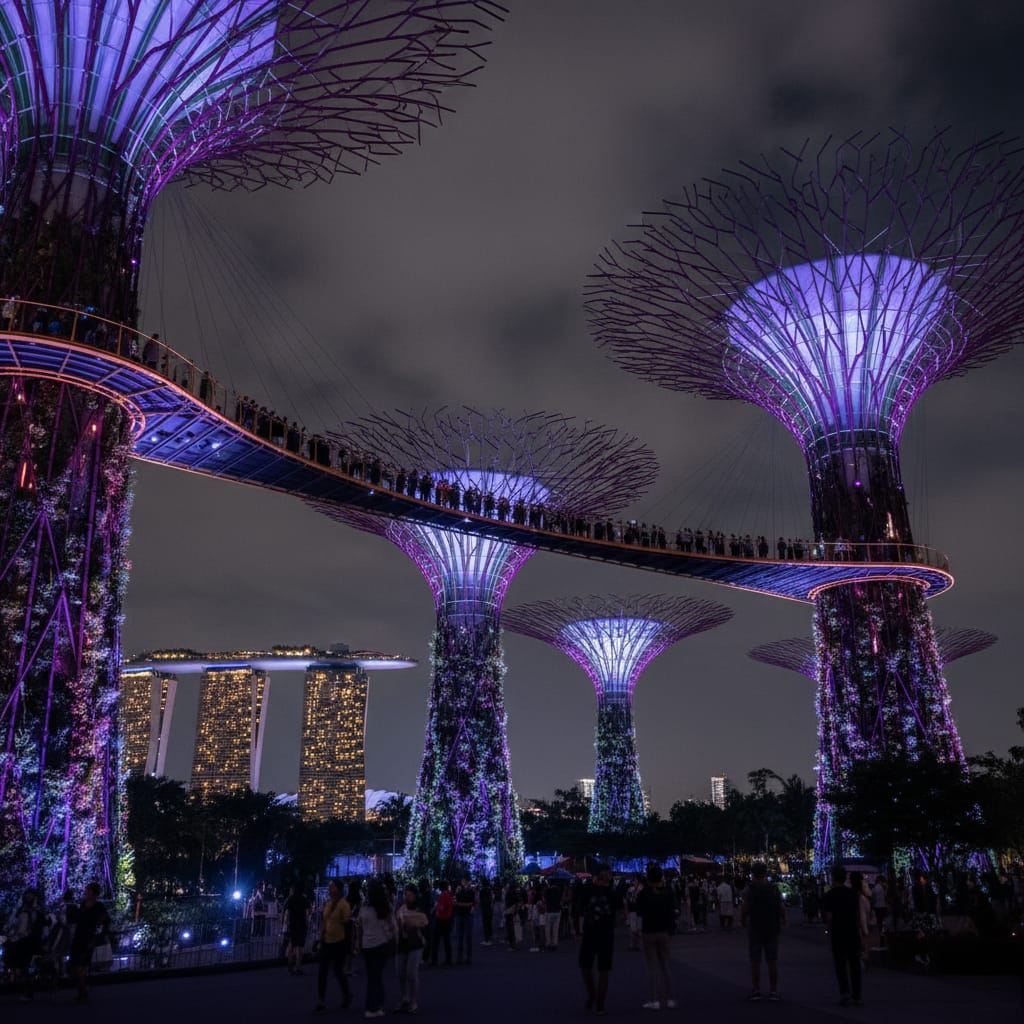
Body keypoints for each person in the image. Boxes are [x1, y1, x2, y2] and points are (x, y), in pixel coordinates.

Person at [635, 863, 676, 1010]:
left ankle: (654, 1000)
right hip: (664, 931)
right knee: (666, 965)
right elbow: (672, 911)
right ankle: (670, 998)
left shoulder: (643, 894)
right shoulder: (668, 892)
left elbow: (639, 912)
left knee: (652, 967)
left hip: (648, 931)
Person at [741, 862, 785, 1002]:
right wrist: (784, 920)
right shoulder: (773, 888)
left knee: (755, 961)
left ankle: (756, 990)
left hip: (755, 927)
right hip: (771, 927)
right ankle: (773, 991)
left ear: (753, 874)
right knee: (772, 961)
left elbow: (745, 907)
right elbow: (781, 906)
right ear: (765, 873)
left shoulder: (750, 889)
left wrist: (742, 920)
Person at [821, 865, 864, 1007]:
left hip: (838, 933)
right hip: (852, 932)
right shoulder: (853, 894)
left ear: (833, 877)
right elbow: (857, 915)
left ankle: (844, 993)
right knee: (854, 964)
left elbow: (829, 917)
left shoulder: (830, 895)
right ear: (845, 877)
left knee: (840, 964)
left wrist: (829, 932)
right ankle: (857, 995)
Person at [579, 865, 616, 1016]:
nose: (607, 877)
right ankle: (595, 997)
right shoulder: (590, 889)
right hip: (597, 932)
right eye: (606, 874)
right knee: (596, 968)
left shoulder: (611, 892)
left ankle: (598, 1000)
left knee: (599, 968)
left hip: (600, 932)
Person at [358, 879, 395, 1018]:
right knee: (377, 976)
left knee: (372, 977)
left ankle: (372, 1006)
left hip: (367, 945)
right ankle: (376, 1006)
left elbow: (360, 927)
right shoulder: (386, 908)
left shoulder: (364, 908)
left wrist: (358, 943)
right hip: (382, 944)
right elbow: (392, 926)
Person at [314, 879, 352, 1013]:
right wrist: (320, 939)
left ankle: (347, 995)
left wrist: (349, 946)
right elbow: (325, 923)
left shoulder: (344, 905)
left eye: (332, 887)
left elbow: (348, 926)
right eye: (329, 887)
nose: (330, 889)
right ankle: (321, 1000)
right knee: (322, 971)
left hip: (339, 942)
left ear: (339, 889)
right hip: (327, 941)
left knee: (337, 971)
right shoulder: (328, 904)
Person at [69, 882, 110, 1003]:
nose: (86, 891)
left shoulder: (99, 906)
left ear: (94, 892)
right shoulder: (83, 904)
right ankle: (83, 990)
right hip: (78, 936)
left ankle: (82, 992)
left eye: (88, 889)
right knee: (76, 965)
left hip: (89, 938)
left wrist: (99, 935)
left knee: (82, 965)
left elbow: (105, 920)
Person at [396, 884, 429, 1014]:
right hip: (401, 943)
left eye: (409, 895)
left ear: (415, 896)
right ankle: (404, 997)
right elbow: (397, 922)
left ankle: (413, 1001)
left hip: (415, 943)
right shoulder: (401, 908)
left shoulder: (419, 909)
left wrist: (410, 921)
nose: (407, 897)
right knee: (400, 972)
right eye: (405, 894)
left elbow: (424, 923)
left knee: (412, 973)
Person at [5, 888, 42, 1001]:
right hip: (19, 940)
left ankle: (27, 992)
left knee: (24, 967)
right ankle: (26, 990)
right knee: (19, 967)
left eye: (31, 895)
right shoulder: (20, 909)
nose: (28, 897)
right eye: (27, 895)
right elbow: (14, 923)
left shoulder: (35, 909)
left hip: (28, 941)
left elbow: (36, 924)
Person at [282, 882, 310, 975]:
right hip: (302, 925)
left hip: (292, 925)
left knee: (291, 944)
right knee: (300, 947)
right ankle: (298, 967)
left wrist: (285, 922)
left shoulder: (290, 899)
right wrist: (307, 923)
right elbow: (308, 913)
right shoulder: (304, 899)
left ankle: (290, 964)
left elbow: (286, 912)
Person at [429, 880, 454, 966]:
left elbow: (442, 907)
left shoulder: (443, 895)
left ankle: (434, 960)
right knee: (446, 940)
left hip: (441, 919)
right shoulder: (448, 895)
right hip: (447, 919)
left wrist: (437, 909)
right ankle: (448, 959)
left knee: (436, 941)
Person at [453, 876, 476, 964]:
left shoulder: (471, 891)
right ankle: (460, 957)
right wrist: (463, 904)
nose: (464, 883)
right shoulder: (459, 890)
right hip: (460, 915)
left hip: (467, 915)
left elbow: (472, 903)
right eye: (463, 881)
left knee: (467, 937)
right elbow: (455, 902)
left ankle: (467, 957)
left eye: (465, 881)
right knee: (460, 937)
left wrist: (460, 904)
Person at [544, 879, 563, 950]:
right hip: (557, 911)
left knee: (548, 928)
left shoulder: (547, 891)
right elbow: (561, 900)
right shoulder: (559, 891)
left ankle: (548, 943)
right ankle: (555, 943)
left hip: (549, 911)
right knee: (555, 928)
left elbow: (545, 900)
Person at [478, 879, 494, 946]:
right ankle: (490, 936)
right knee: (489, 923)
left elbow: (480, 899)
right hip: (489, 908)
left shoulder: (482, 890)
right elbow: (492, 898)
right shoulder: (489, 890)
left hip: (485, 908)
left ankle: (487, 940)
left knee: (485, 924)